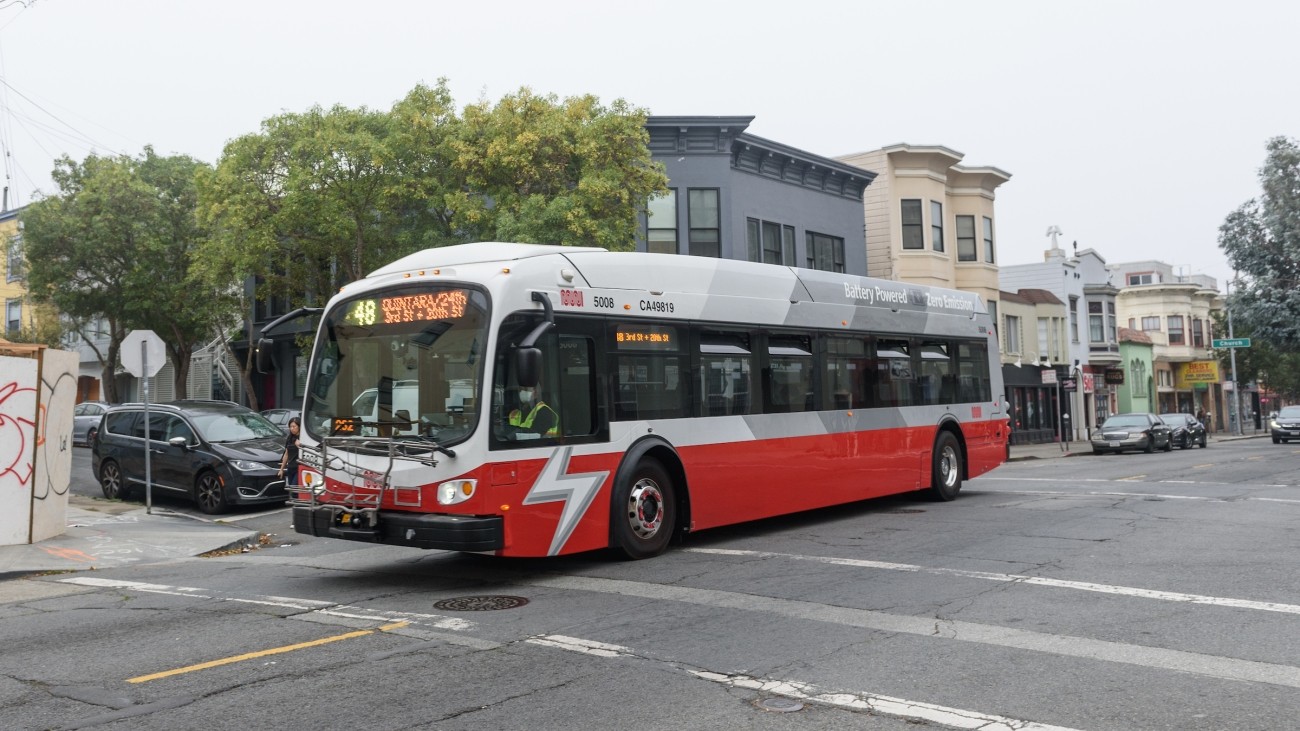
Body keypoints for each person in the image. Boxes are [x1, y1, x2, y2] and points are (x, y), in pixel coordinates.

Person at [278, 416, 301, 486]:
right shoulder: (290, 438)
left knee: (294, 487)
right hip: (290, 467)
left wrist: (300, 446)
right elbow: (286, 454)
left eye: (294, 426)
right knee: (291, 488)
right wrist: (281, 469)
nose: (292, 429)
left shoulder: (303, 438)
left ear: (299, 426)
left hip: (298, 468)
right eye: (290, 427)